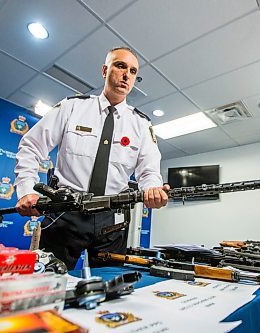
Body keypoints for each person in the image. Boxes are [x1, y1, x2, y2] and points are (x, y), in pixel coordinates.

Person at [14, 47, 169, 270]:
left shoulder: (141, 124)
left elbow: (149, 171)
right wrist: (27, 189)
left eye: (133, 71)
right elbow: (31, 145)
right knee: (47, 282)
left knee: (110, 288)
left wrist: (153, 189)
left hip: (112, 219)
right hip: (65, 213)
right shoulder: (72, 107)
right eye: (120, 66)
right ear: (105, 70)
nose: (127, 75)